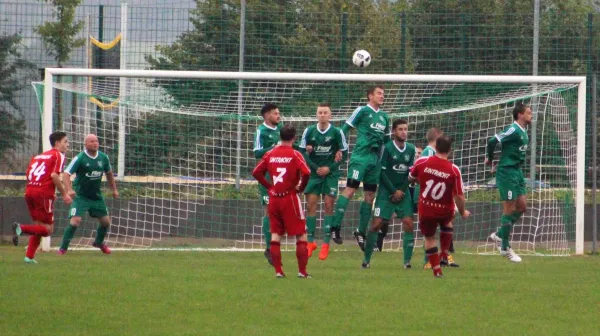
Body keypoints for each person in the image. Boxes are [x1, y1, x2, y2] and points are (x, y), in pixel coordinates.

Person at [331, 86, 391, 248]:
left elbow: (387, 142)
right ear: (370, 95)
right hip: (361, 157)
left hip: (375, 160)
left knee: (370, 195)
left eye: (383, 94)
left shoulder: (385, 117)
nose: (382, 96)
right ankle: (335, 226)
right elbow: (344, 129)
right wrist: (339, 147)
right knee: (350, 189)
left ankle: (360, 231)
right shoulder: (362, 111)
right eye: (379, 93)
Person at [252, 125, 312, 278]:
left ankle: (278, 271)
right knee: (301, 234)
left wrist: (269, 187)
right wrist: (301, 188)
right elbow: (306, 172)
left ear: (280, 136)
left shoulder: (270, 153)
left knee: (276, 234)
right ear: (294, 137)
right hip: (289, 198)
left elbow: (256, 172)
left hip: (274, 198)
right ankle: (302, 272)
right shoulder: (295, 154)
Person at [409, 135, 470, 277]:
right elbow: (459, 196)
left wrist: (422, 181)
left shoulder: (422, 162)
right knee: (447, 223)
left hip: (426, 209)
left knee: (429, 238)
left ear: (435, 147)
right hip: (444, 209)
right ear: (450, 150)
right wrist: (462, 212)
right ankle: (444, 254)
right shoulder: (454, 170)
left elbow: (411, 177)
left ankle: (437, 270)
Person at [361, 119, 416, 269]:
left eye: (405, 129)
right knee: (376, 225)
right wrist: (393, 191)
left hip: (403, 193)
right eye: (400, 129)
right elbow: (381, 173)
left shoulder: (411, 149)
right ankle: (366, 260)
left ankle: (407, 262)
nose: (404, 132)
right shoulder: (386, 148)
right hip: (386, 192)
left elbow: (411, 174)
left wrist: (401, 191)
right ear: (393, 132)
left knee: (409, 224)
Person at [12, 131, 72, 264]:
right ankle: (21, 228)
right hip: (43, 193)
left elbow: (29, 174)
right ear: (57, 143)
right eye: (65, 142)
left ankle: (29, 256)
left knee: (38, 225)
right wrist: (64, 194)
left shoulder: (39, 156)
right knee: (48, 230)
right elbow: (54, 176)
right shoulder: (58, 155)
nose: (67, 145)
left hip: (30, 191)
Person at [299, 103, 348, 260]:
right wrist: (314, 167)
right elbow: (302, 152)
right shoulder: (309, 131)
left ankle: (326, 243)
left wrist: (330, 167)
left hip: (330, 174)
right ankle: (310, 242)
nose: (322, 115)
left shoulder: (337, 132)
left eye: (325, 112)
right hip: (313, 174)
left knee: (328, 205)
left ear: (330, 115)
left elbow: (344, 154)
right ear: (316, 115)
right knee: (311, 205)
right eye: (320, 112)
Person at [485, 102, 531, 263]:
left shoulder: (525, 131)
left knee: (522, 206)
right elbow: (492, 141)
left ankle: (498, 235)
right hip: (506, 172)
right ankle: (505, 248)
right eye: (528, 112)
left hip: (517, 171)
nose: (530, 115)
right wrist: (490, 160)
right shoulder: (513, 129)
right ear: (520, 115)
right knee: (509, 209)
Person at [57, 134, 118, 254]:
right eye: (92, 141)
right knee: (75, 221)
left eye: (96, 141)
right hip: (81, 196)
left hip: (96, 196)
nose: (95, 143)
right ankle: (63, 248)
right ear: (86, 144)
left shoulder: (103, 158)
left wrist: (114, 190)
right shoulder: (80, 158)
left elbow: (109, 174)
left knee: (106, 222)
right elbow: (66, 174)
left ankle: (98, 242)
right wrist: (69, 189)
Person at [253, 103, 282, 265]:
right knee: (269, 212)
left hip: (282, 177)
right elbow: (257, 152)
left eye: (279, 113)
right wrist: (273, 148)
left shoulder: (281, 128)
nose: (279, 116)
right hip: (267, 178)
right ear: (267, 116)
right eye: (275, 113)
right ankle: (269, 248)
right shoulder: (261, 131)